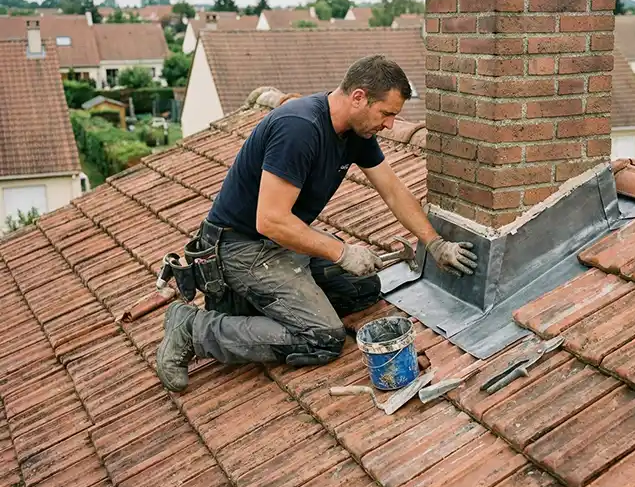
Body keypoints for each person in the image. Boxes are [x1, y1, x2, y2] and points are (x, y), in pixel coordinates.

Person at [155, 55, 478, 393]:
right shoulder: (299, 129)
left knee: (363, 287)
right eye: (386, 113)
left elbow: (393, 191)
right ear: (358, 97)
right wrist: (342, 252)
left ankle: (263, 304)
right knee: (322, 337)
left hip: (282, 243)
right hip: (241, 248)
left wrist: (434, 243)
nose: (389, 125)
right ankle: (193, 328)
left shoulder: (355, 133)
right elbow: (270, 220)